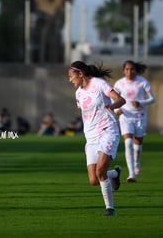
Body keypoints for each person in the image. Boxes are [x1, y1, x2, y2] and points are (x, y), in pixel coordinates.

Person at [68, 61, 126, 216]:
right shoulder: (78, 93)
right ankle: (114, 174)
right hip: (91, 137)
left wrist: (112, 107)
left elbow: (120, 100)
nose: (70, 80)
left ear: (80, 73)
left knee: (100, 171)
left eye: (71, 76)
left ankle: (110, 209)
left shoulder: (99, 84)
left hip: (108, 131)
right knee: (94, 180)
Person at [114, 60, 156, 183]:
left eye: (132, 69)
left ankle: (137, 162)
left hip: (139, 116)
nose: (129, 71)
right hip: (125, 116)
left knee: (137, 146)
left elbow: (152, 99)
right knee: (128, 143)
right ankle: (131, 174)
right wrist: (117, 109)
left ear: (135, 70)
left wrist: (140, 103)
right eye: (127, 69)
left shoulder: (143, 82)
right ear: (123, 71)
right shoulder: (119, 84)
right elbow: (113, 99)